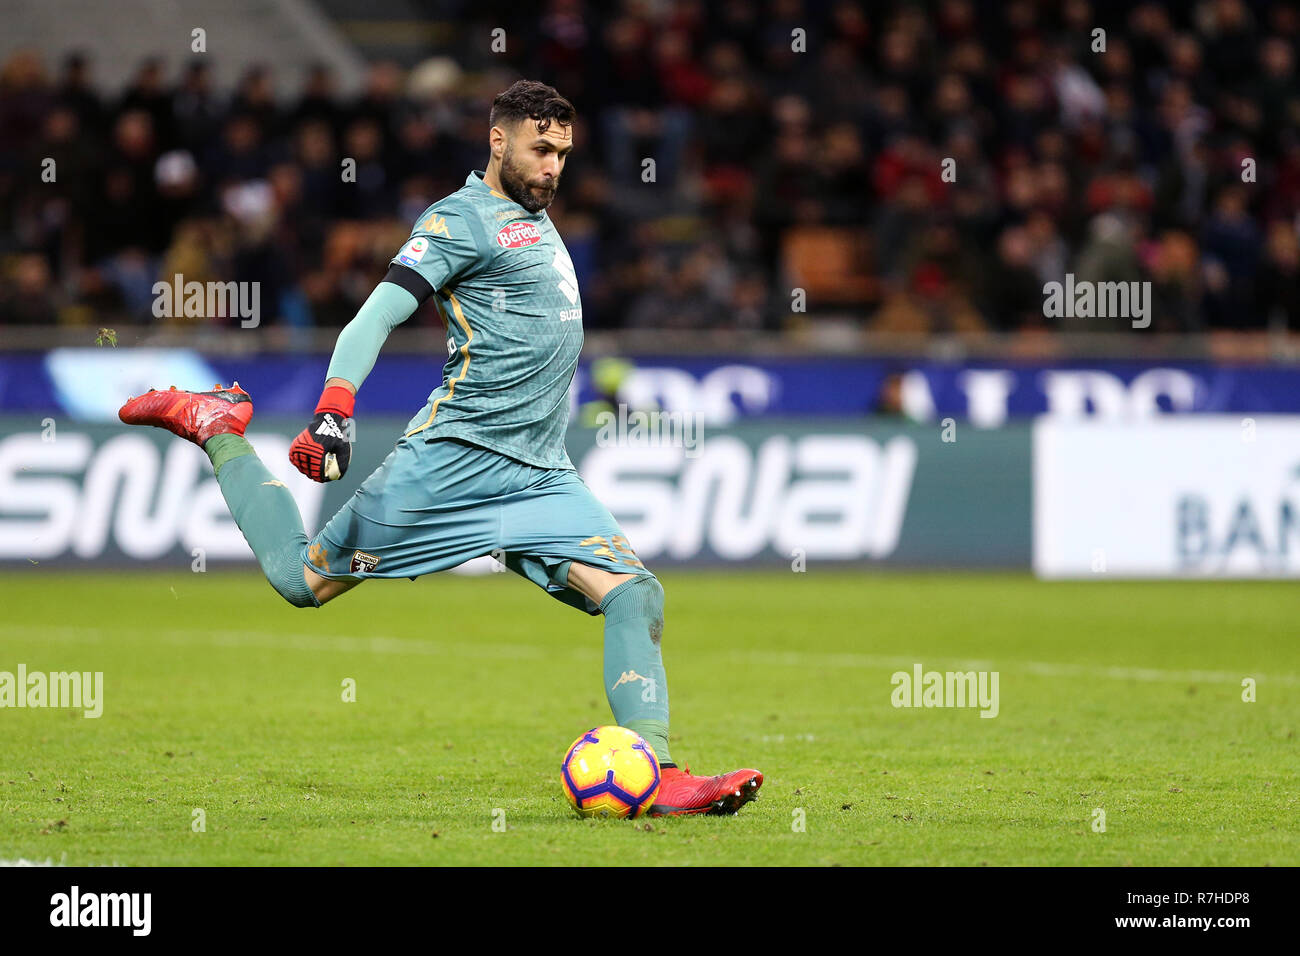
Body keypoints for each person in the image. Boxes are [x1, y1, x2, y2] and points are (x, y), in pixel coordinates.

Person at [119, 79, 762, 816]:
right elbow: (374, 317)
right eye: (540, 148)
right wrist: (335, 407)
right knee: (303, 582)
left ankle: (662, 773)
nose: (554, 167)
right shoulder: (459, 220)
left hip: (540, 474)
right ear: (499, 140)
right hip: (450, 462)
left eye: (564, 154)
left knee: (635, 594)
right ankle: (215, 426)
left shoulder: (539, 217)